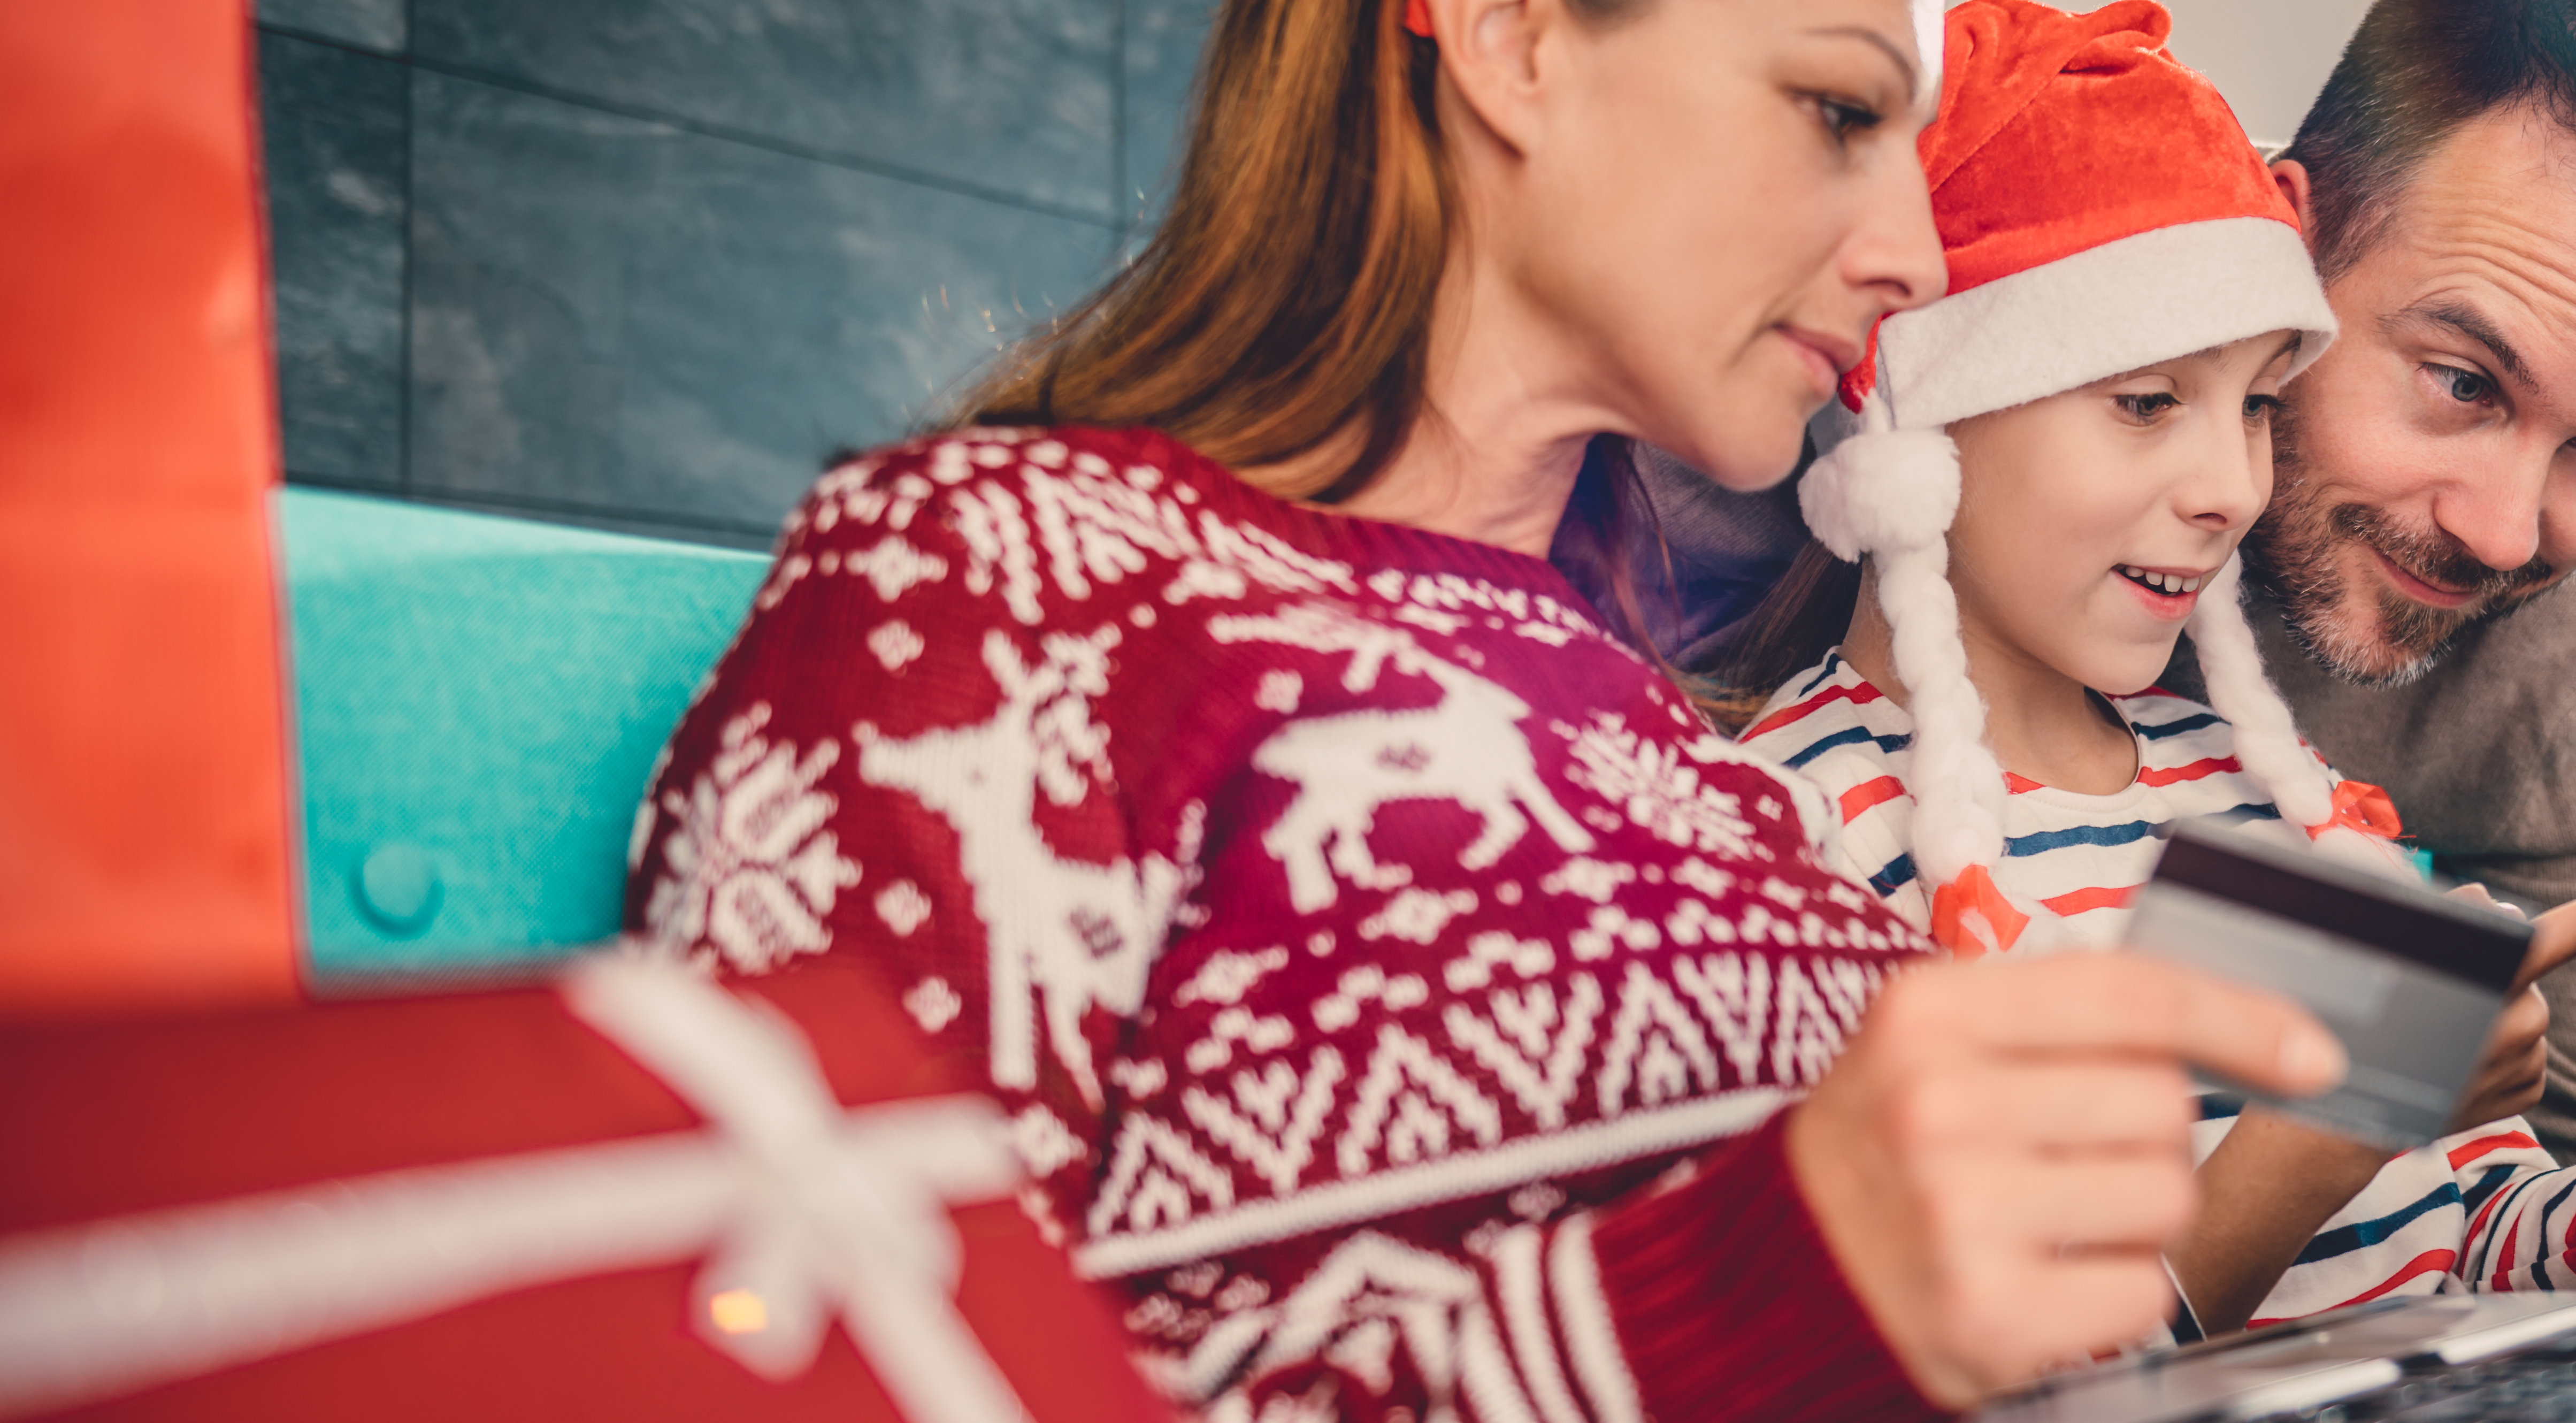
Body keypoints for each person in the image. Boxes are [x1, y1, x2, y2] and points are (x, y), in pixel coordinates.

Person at [615, 0, 2373, 1417]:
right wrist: (1740, 1299)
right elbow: (779, 1369)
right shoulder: (995, 599)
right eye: (1837, 113)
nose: (1909, 255)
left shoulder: (1681, 762)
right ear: (1510, 33)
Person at [1577, 0, 2576, 1286]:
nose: (2504, 535)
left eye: (2254, 404)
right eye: (2459, 380)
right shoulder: (1770, 793)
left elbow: (2455, 1229)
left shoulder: (2275, 809)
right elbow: (1901, 1347)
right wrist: (2328, 1132)